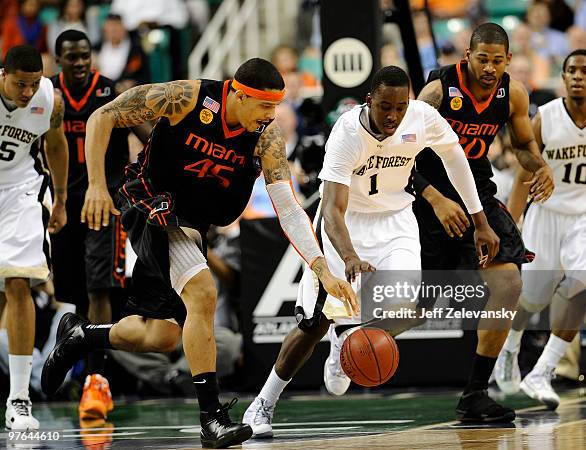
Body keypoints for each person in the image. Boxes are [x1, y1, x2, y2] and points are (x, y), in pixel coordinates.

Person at [41, 57, 356, 448]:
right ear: (238, 96)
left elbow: (289, 208)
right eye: (264, 106)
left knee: (161, 336)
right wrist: (95, 187)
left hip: (189, 221)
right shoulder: (187, 98)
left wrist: (321, 266)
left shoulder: (266, 137)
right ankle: (211, 418)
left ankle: (82, 336)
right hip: (149, 201)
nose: (270, 115)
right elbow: (102, 116)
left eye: (276, 107)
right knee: (203, 292)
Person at [242, 65, 500, 438]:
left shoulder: (422, 118)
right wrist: (348, 256)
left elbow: (455, 159)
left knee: (406, 303)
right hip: (347, 224)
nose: (393, 116)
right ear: (369, 101)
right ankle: (263, 403)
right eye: (384, 107)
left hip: (396, 220)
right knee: (313, 324)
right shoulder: (347, 132)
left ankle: (347, 339)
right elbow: (331, 209)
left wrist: (480, 221)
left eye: (400, 106)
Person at [410, 22, 554, 422]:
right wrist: (436, 199)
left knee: (508, 284)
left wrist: (539, 166)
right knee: (420, 306)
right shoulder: (438, 90)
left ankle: (475, 393)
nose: (489, 68)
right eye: (482, 59)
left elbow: (524, 145)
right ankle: (349, 338)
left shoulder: (514, 94)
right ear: (467, 57)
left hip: (477, 196)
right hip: (428, 197)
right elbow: (400, 156)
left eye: (497, 60)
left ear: (508, 60)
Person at [494, 50, 586, 409]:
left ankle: (542, 371)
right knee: (530, 299)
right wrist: (510, 226)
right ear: (563, 78)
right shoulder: (545, 118)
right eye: (571, 70)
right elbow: (523, 176)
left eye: (585, 70)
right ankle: (509, 349)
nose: (577, 76)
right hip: (546, 214)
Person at [49, 29, 146, 421]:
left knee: (100, 289)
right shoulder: (47, 96)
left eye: (85, 55)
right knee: (73, 293)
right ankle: (81, 370)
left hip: (105, 204)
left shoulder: (110, 94)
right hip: (64, 204)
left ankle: (97, 383)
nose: (79, 62)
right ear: (58, 60)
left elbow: (148, 136)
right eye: (71, 57)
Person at [0, 44, 68, 429]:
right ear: (3, 75)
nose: (27, 92)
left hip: (22, 189)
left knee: (18, 281)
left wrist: (59, 200)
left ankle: (19, 398)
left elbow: (56, 146)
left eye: (34, 83)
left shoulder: (49, 99)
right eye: (20, 84)